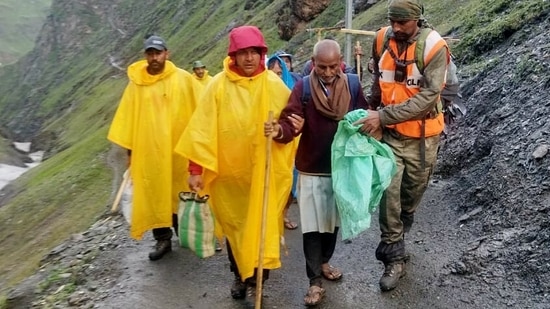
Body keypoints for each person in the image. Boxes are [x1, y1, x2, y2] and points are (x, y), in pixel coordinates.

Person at [174, 26, 296, 303]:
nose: (250, 58)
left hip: (262, 174)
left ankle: (257, 281)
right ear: (233, 55)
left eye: (254, 52)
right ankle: (239, 275)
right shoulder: (218, 85)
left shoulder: (274, 85)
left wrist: (278, 130)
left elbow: (292, 125)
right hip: (229, 177)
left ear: (262, 54)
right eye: (243, 53)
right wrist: (195, 171)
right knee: (234, 229)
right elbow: (201, 132)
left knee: (261, 226)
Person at [353, 0, 450, 292]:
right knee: (389, 191)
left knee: (412, 193)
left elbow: (427, 98)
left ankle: (401, 227)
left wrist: (381, 115)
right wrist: (371, 110)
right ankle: (393, 253)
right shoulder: (381, 39)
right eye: (392, 21)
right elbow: (378, 82)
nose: (395, 28)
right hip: (390, 136)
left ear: (417, 20)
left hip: (423, 138)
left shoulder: (435, 48)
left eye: (402, 23)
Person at [266, 39, 368, 306]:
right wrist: (281, 131)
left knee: (332, 223)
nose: (327, 72)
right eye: (322, 66)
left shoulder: (353, 85)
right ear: (313, 63)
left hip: (341, 168)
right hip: (311, 168)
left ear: (340, 64)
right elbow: (290, 124)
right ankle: (314, 282)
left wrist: (367, 125)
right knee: (312, 227)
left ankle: (324, 262)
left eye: (333, 66)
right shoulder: (303, 88)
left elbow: (365, 115)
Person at [107, 35, 201, 261]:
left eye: (158, 53)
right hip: (148, 152)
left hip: (178, 150)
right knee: (154, 194)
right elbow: (128, 119)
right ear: (145, 56)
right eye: (150, 54)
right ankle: (163, 239)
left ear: (167, 54)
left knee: (180, 191)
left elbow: (201, 109)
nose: (154, 58)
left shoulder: (183, 79)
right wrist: (131, 153)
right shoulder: (136, 84)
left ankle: (187, 234)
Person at [266, 54, 301, 230]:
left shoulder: (294, 91)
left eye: (279, 73)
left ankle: (283, 214)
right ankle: (271, 219)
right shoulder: (262, 91)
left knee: (289, 184)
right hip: (269, 150)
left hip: (291, 147)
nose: (276, 77)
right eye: (272, 73)